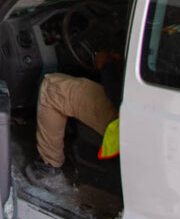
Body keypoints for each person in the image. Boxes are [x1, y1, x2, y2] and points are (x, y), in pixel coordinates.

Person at [24, 51, 123, 191]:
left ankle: (49, 168)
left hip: (127, 122)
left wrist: (107, 65)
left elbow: (118, 93)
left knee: (52, 88)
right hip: (150, 129)